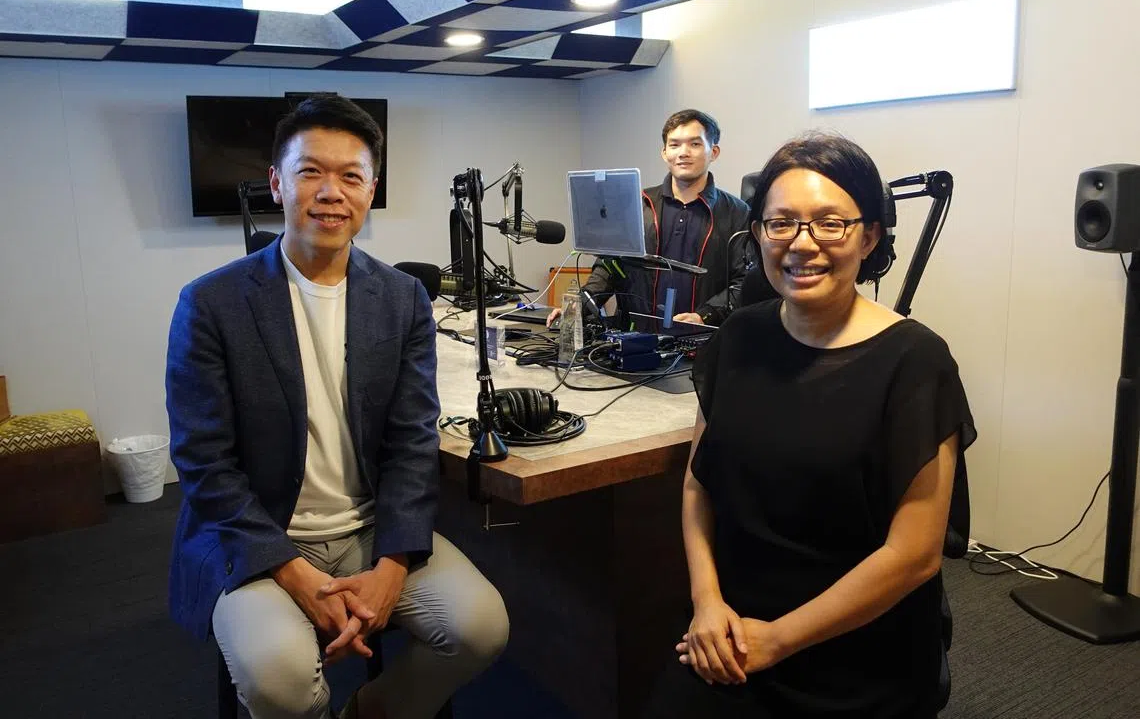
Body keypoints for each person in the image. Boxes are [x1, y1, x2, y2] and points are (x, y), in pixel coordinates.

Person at [166, 95, 509, 719]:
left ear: (370, 190)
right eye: (310, 173)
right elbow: (203, 465)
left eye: (350, 176)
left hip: (370, 530)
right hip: (259, 539)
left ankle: (371, 711)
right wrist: (298, 576)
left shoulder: (402, 299)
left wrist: (393, 565)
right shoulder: (212, 304)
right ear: (277, 183)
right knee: (280, 681)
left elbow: (411, 442)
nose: (331, 192)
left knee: (481, 627)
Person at [643, 133, 975, 718]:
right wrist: (706, 602)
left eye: (830, 224)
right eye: (781, 224)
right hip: (732, 626)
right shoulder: (735, 340)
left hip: (857, 639)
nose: (802, 244)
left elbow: (915, 554)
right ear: (759, 236)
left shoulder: (916, 361)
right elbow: (700, 484)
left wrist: (779, 639)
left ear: (869, 236)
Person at [548, 109, 757, 332]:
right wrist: (579, 307)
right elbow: (609, 267)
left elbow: (745, 281)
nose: (683, 152)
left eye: (695, 144)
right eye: (674, 145)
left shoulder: (737, 213)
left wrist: (705, 315)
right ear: (664, 153)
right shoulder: (638, 205)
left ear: (713, 152)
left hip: (702, 343)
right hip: (635, 341)